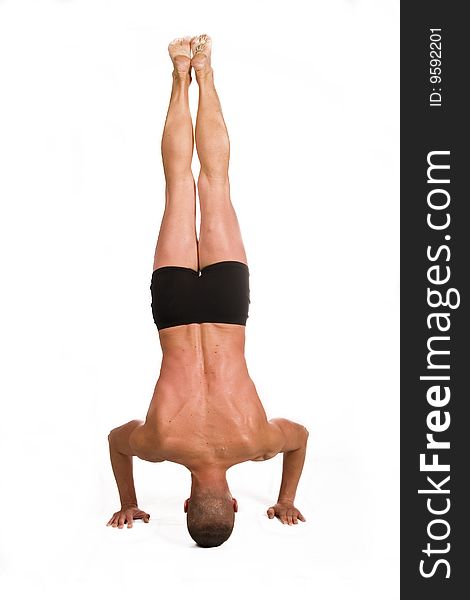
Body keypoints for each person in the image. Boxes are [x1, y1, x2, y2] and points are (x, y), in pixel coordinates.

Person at [106, 35, 309, 548]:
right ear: (186, 502)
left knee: (214, 182)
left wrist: (286, 498)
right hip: (173, 311)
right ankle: (180, 73)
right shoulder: (158, 444)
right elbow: (115, 441)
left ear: (234, 501)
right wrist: (128, 501)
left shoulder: (257, 442)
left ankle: (205, 70)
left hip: (226, 308)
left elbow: (300, 438)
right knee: (179, 184)